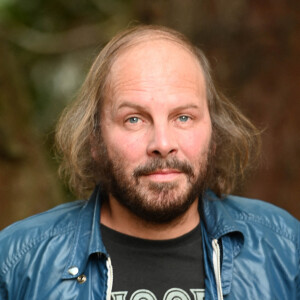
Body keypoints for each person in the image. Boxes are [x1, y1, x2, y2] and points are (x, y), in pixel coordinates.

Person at [0, 25, 299, 300]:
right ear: (95, 141)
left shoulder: (286, 248)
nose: (163, 144)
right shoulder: (16, 262)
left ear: (214, 134)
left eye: (183, 117)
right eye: (134, 119)